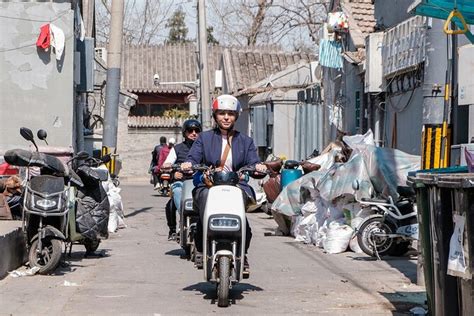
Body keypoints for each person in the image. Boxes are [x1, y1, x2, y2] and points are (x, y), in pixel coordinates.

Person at [181, 94, 267, 272]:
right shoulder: (203, 139)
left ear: (236, 116)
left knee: (243, 220)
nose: (226, 117)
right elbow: (192, 158)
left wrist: (259, 167)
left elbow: (253, 163)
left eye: (230, 113)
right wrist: (188, 164)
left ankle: (241, 255)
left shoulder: (246, 141)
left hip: (236, 187)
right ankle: (202, 246)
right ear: (215, 115)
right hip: (209, 186)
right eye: (222, 113)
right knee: (203, 203)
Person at [161, 119, 202, 240]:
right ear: (185, 133)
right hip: (181, 182)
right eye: (190, 131)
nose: (194, 133)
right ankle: (181, 220)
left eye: (197, 131)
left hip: (199, 182)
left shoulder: (204, 148)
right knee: (177, 193)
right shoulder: (177, 149)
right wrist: (173, 172)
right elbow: (166, 164)